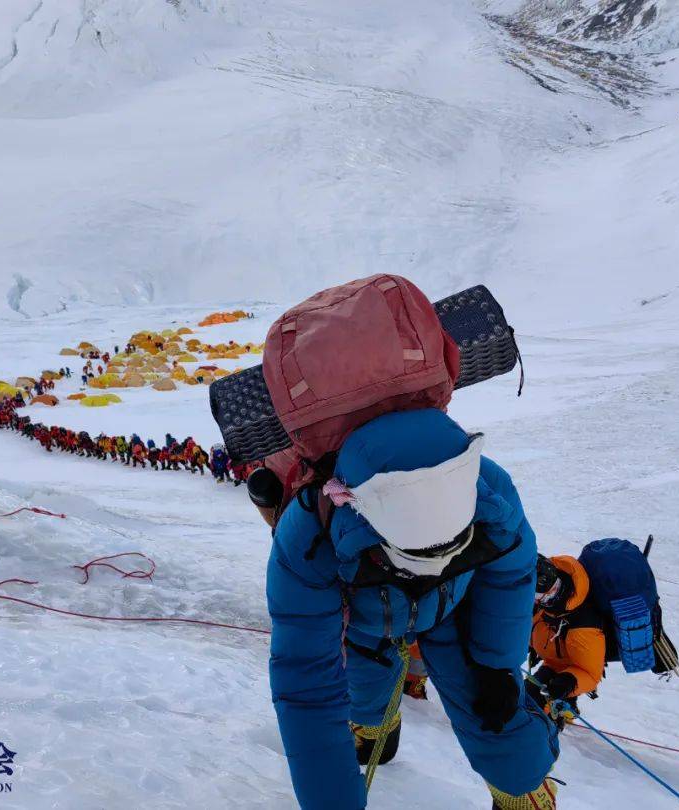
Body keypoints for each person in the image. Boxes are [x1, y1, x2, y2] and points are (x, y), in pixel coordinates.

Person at [260, 276, 558, 810]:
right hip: (375, 622)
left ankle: (521, 788)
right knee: (365, 696)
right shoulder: (309, 536)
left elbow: (510, 572)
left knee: (504, 730)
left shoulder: (486, 489)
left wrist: (498, 664)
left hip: (447, 613)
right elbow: (307, 689)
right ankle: (377, 727)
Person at [527, 554, 607, 729]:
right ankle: (566, 707)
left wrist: (568, 683)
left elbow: (591, 674)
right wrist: (529, 644)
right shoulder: (542, 603)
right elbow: (533, 624)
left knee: (537, 708)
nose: (542, 601)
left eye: (546, 596)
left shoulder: (584, 625)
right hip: (552, 663)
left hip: (573, 672)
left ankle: (559, 715)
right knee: (528, 696)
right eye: (538, 598)